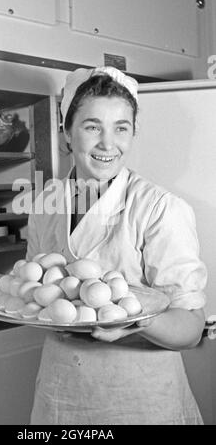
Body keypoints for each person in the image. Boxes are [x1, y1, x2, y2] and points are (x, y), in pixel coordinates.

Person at [26, 66, 207, 425]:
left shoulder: (159, 209)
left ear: (133, 132)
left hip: (140, 399)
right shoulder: (45, 204)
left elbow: (190, 328)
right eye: (93, 126)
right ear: (67, 132)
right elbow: (39, 290)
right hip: (63, 393)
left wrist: (137, 321)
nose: (108, 144)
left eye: (121, 128)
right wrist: (16, 290)